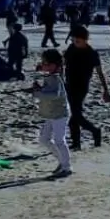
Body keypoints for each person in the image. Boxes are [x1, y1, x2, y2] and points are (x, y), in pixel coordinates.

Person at [64, 24, 110, 150]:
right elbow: (63, 64)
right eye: (73, 40)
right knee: (73, 116)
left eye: (77, 40)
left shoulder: (92, 53)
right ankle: (76, 143)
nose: (75, 42)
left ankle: (95, 131)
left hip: (81, 87)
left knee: (76, 115)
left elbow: (100, 72)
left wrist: (105, 89)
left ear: (85, 39)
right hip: (68, 85)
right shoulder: (71, 49)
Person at [28, 49, 73, 179]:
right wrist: (39, 89)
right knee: (44, 139)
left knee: (60, 140)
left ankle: (67, 167)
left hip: (60, 113)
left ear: (54, 65)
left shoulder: (56, 78)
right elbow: (47, 91)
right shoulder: (49, 76)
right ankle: (62, 161)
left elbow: (54, 94)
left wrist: (38, 93)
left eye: (46, 63)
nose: (43, 65)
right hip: (51, 113)